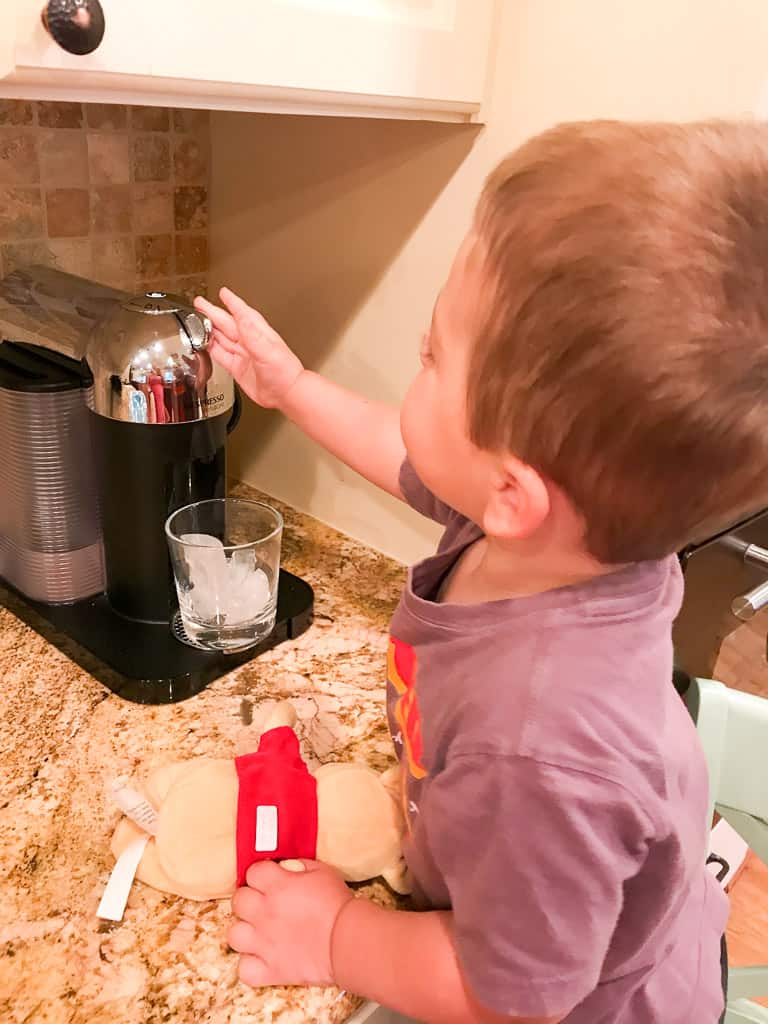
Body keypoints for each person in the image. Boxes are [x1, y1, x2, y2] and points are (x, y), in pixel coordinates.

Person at [191, 119, 768, 1023]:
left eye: (429, 354)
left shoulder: (542, 746)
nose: (414, 367)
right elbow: (408, 454)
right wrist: (292, 385)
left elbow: (510, 993)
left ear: (512, 491)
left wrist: (338, 936)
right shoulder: (569, 540)